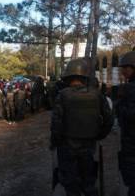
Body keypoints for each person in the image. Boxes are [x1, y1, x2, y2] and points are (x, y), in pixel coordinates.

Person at [50, 58, 113, 196]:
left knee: (71, 183)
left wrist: (55, 142)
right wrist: (99, 134)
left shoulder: (63, 95)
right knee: (89, 180)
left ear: (68, 77)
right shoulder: (97, 95)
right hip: (89, 144)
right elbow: (109, 119)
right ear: (84, 77)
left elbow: (56, 124)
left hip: (67, 145)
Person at [117, 51, 135, 196]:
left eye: (126, 68)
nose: (123, 71)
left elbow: (129, 116)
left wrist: (119, 105)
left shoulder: (130, 88)